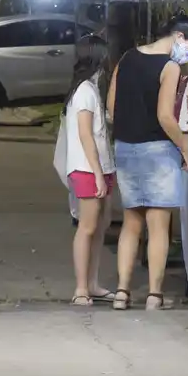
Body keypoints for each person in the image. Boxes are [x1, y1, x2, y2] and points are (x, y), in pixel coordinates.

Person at [107, 13, 188, 311]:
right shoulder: (169, 66)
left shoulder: (127, 58)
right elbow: (165, 115)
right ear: (178, 37)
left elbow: (111, 107)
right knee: (159, 225)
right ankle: (154, 295)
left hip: (125, 147)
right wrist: (185, 147)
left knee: (131, 223)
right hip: (158, 151)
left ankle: (122, 292)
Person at [60, 35, 115, 307]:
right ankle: (81, 287)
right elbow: (85, 135)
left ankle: (92, 283)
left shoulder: (90, 88)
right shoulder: (84, 91)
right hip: (87, 169)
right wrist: (96, 173)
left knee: (99, 227)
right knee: (87, 227)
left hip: (101, 167)